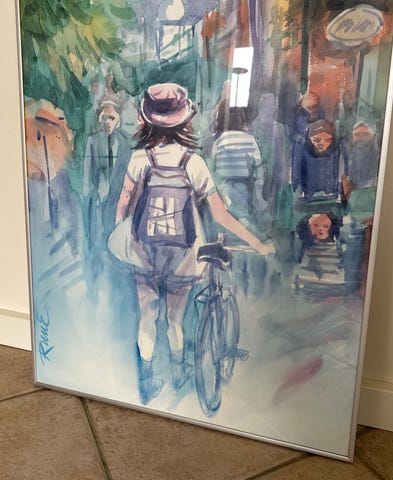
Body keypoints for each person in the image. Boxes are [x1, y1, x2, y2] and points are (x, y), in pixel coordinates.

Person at [112, 83, 274, 404]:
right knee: (175, 319)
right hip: (183, 254)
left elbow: (123, 204)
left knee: (147, 316)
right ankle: (177, 372)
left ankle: (147, 382)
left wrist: (126, 238)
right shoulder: (193, 162)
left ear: (148, 120)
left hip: (144, 251)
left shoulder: (139, 159)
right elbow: (220, 214)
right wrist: (257, 243)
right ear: (184, 121)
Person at [83, 99, 132, 279]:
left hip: (118, 198)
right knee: (98, 234)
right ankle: (98, 270)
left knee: (116, 233)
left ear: (119, 119)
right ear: (99, 119)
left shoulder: (126, 143)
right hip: (100, 197)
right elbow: (88, 169)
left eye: (112, 118)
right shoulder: (93, 141)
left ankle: (115, 268)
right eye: (104, 118)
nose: (108, 122)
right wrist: (89, 192)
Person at [292, 119, 340, 200]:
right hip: (308, 199)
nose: (322, 144)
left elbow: (338, 175)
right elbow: (296, 176)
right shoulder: (301, 149)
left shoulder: (336, 151)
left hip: (331, 199)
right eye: (317, 140)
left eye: (327, 140)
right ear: (310, 139)